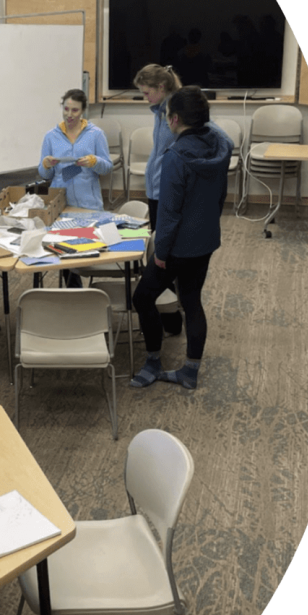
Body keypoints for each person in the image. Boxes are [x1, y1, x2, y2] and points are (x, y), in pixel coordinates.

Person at [130, 86, 232, 390]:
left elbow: (170, 213)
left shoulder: (175, 157)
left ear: (174, 119)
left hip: (176, 247)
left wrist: (160, 251)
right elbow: (221, 196)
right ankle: (190, 371)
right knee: (191, 300)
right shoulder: (220, 146)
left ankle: (152, 363)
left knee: (142, 297)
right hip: (206, 240)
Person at [134, 63, 184, 334]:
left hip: (166, 191)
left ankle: (172, 318)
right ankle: (168, 314)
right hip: (155, 189)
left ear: (161, 88)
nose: (145, 98)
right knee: (158, 251)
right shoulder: (159, 110)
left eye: (146, 93)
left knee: (162, 256)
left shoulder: (174, 112)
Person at [38, 89, 112, 211]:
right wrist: (46, 165)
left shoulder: (96, 134)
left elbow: (107, 168)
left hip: (89, 203)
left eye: (75, 110)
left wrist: (95, 162)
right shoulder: (50, 136)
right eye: (66, 109)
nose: (69, 115)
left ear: (83, 110)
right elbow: (45, 175)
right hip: (59, 203)